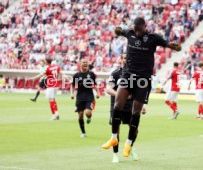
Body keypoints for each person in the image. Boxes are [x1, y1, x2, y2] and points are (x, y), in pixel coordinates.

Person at [102, 17, 181, 157]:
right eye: (136, 30)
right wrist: (117, 30)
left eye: (140, 30)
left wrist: (175, 46)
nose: (137, 33)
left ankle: (129, 143)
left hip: (143, 79)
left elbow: (170, 45)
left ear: (145, 26)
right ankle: (114, 138)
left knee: (136, 112)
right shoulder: (130, 32)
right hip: (128, 76)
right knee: (117, 105)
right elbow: (119, 31)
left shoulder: (153, 38)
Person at [106, 53, 146, 163]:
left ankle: (130, 146)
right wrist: (119, 95)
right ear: (121, 59)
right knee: (116, 131)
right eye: (124, 58)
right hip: (117, 105)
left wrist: (141, 106)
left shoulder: (135, 75)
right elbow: (108, 89)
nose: (126, 60)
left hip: (130, 106)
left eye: (128, 58)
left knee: (135, 130)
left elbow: (138, 92)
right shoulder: (115, 73)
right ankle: (115, 155)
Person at [70, 59, 99, 138]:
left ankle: (89, 117)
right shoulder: (76, 75)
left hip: (89, 97)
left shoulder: (91, 74)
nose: (85, 63)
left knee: (87, 113)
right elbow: (72, 85)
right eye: (84, 62)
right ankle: (83, 132)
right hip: (79, 97)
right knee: (80, 115)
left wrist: (98, 93)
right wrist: (72, 94)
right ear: (80, 64)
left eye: (86, 62)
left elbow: (95, 84)